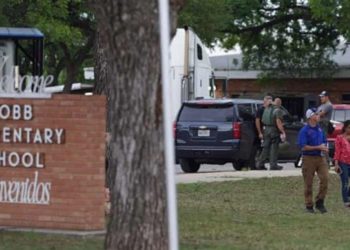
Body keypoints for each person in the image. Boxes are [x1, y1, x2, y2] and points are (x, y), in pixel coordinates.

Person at [298, 108, 329, 213]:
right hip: (308, 158)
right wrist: (318, 147)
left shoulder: (320, 129)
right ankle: (309, 205)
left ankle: (320, 202)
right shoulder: (304, 130)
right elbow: (303, 147)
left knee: (325, 179)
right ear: (310, 117)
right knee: (308, 183)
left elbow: (324, 141)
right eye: (316, 114)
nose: (318, 115)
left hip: (321, 158)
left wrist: (325, 147)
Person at [256, 96, 286, 170]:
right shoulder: (277, 110)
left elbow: (262, 120)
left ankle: (260, 163)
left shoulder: (267, 109)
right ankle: (273, 165)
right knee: (274, 148)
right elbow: (278, 122)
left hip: (266, 130)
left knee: (265, 148)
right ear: (279, 103)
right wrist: (282, 131)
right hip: (273, 130)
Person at [334, 120, 350, 207]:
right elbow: (337, 152)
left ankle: (348, 195)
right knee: (345, 182)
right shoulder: (339, 138)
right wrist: (336, 164)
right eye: (349, 128)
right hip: (343, 162)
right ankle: (346, 201)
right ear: (345, 128)